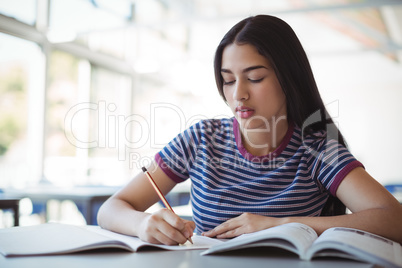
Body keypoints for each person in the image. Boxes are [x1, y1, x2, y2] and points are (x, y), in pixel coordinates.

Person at [97, 15, 402, 245]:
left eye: (254, 78)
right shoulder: (200, 140)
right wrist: (141, 225)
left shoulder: (317, 148)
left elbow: (394, 219)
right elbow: (111, 209)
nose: (238, 94)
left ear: (289, 78)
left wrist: (282, 224)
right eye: (228, 80)